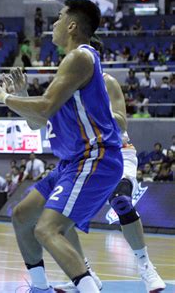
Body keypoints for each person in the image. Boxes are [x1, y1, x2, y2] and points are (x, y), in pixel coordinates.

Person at [0, 0, 123, 293]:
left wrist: (2, 97)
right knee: (22, 216)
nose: (53, 24)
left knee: (47, 229)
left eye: (58, 18)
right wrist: (21, 95)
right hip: (72, 162)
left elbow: (43, 108)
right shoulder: (68, 67)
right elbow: (38, 121)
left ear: (72, 26)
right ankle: (40, 288)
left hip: (95, 158)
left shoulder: (80, 58)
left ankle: (87, 286)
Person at [53, 40, 166, 293]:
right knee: (58, 217)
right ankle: (85, 273)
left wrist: (92, 110)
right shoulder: (64, 88)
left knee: (121, 200)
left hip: (118, 153)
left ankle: (146, 267)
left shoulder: (106, 82)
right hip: (86, 157)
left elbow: (122, 123)